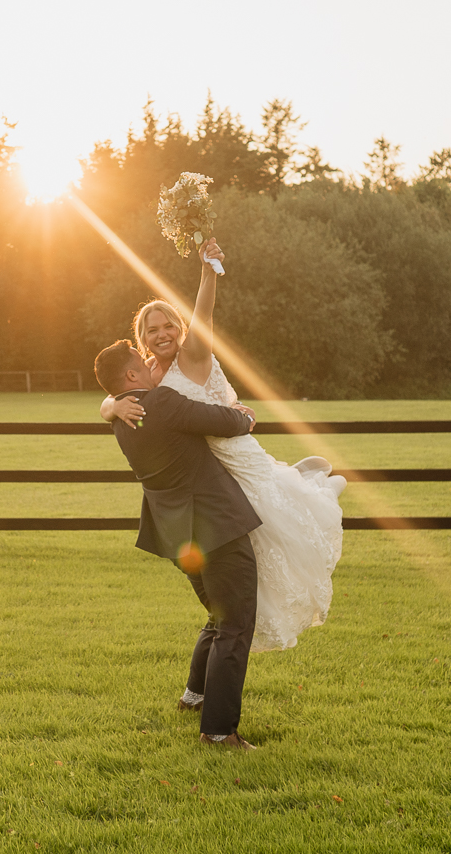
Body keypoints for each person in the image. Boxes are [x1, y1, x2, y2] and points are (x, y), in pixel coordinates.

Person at [100, 238, 347, 669]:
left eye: (168, 326)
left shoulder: (194, 353)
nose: (162, 334)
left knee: (276, 543)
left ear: (180, 327)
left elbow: (205, 315)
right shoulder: (153, 378)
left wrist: (207, 271)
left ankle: (207, 682)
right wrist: (110, 405)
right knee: (234, 586)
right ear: (142, 343)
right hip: (214, 476)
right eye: (151, 331)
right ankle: (203, 690)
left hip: (235, 456)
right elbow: (122, 390)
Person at [95, 338, 264, 751]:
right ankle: (219, 731)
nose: (151, 364)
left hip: (178, 536)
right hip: (216, 526)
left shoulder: (122, 416)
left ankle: (195, 696)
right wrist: (244, 417)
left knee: (218, 613)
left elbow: (111, 402)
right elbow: (225, 422)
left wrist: (109, 404)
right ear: (132, 375)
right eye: (142, 361)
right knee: (235, 624)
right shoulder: (163, 402)